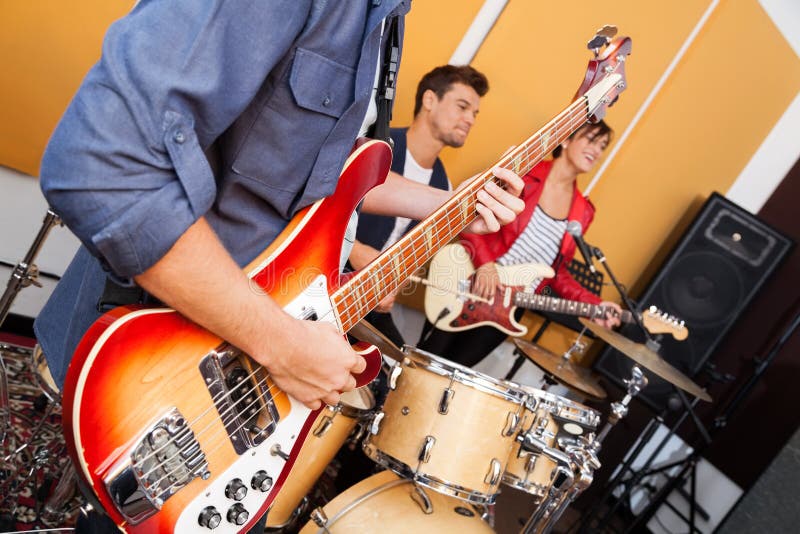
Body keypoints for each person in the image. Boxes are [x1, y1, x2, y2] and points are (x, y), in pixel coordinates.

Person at [33, 3, 524, 532]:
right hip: (163, 355)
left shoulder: (385, 17)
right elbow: (104, 168)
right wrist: (283, 345)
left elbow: (323, 165)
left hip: (242, 364)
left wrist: (449, 207)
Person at [417, 120, 622, 369]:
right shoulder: (523, 174)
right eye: (591, 139)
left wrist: (596, 306)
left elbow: (558, 274)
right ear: (567, 139)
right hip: (469, 285)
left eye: (602, 146)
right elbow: (470, 215)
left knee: (454, 375)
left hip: (509, 310)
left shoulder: (584, 212)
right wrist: (485, 264)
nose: (597, 150)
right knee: (422, 363)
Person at [348, 64, 489, 348]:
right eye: (462, 106)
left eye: (474, 113)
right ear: (429, 100)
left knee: (402, 374)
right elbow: (316, 206)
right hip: (321, 278)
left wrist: (392, 285)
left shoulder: (444, 187)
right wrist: (355, 251)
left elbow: (408, 257)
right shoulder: (373, 145)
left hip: (368, 304)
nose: (470, 119)